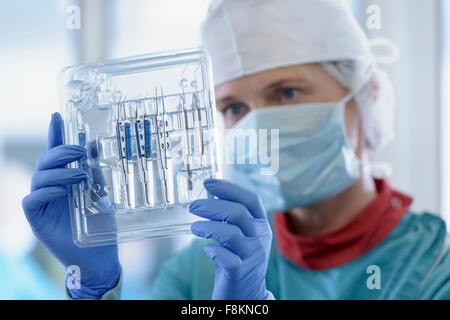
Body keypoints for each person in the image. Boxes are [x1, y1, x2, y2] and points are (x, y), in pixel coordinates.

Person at [22, 0, 450, 299]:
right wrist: (95, 285)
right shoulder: (204, 265)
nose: (257, 123)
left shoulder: (435, 268)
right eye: (233, 107)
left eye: (285, 93)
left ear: (364, 96)